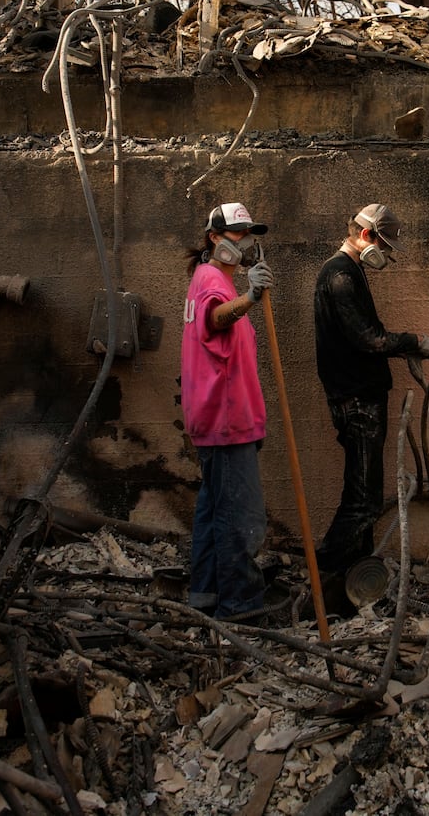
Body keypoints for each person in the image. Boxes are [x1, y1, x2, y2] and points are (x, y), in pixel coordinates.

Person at [312, 203, 429, 575]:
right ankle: (328, 576)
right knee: (362, 502)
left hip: (359, 397)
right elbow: (369, 338)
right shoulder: (340, 276)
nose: (384, 255)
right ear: (366, 236)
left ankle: (356, 576)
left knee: (363, 496)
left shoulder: (349, 271)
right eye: (383, 246)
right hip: (357, 401)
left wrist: (403, 350)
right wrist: (414, 341)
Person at [181, 201, 276, 619]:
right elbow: (216, 317)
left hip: (222, 418)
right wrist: (250, 297)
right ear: (213, 239)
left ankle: (206, 594)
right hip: (225, 420)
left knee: (215, 507)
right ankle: (241, 605)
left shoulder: (213, 277)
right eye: (236, 234)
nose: (243, 241)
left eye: (248, 233)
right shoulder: (212, 281)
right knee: (240, 515)